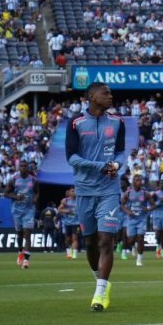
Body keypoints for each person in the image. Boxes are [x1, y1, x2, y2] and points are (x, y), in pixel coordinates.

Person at [65, 81, 127, 312]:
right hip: (84, 190)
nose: (110, 96)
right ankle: (99, 281)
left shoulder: (118, 122)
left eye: (110, 93)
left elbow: (120, 152)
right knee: (90, 242)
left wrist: (117, 164)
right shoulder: (76, 122)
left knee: (105, 240)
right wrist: (99, 166)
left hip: (109, 189)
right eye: (106, 93)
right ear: (92, 97)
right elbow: (71, 158)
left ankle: (100, 293)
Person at [4, 160, 38, 268]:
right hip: (17, 210)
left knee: (27, 233)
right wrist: (15, 197)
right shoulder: (14, 179)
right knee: (19, 233)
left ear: (28, 168)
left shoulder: (33, 180)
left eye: (25, 166)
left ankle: (26, 260)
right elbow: (6, 193)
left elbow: (37, 192)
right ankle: (20, 251)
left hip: (29, 210)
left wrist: (35, 199)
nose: (23, 167)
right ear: (19, 167)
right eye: (21, 166)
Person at [121, 174, 149, 267]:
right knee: (131, 240)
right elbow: (121, 205)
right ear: (133, 182)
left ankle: (139, 259)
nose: (138, 182)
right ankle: (133, 246)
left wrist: (148, 209)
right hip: (131, 219)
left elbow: (153, 204)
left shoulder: (145, 193)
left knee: (141, 238)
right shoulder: (128, 192)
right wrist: (128, 212)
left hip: (142, 219)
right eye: (137, 180)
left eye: (140, 180)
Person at [58, 187, 81, 259]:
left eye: (75, 191)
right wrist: (66, 211)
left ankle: (74, 254)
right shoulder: (65, 200)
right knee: (68, 239)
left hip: (76, 222)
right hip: (67, 223)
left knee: (75, 238)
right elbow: (59, 209)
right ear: (69, 192)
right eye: (72, 191)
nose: (74, 192)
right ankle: (68, 252)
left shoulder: (79, 200)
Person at [151, 179, 163, 258]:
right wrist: (159, 203)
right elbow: (152, 204)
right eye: (160, 183)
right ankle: (158, 247)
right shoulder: (155, 194)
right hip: (156, 215)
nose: (162, 185)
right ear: (158, 185)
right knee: (158, 234)